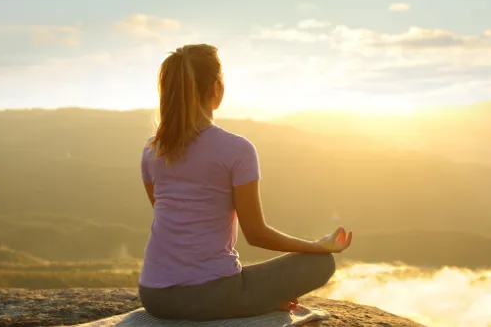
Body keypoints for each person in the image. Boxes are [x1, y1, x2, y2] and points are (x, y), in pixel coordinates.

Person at [137, 43, 353, 321]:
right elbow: (256, 234)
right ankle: (253, 302)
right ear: (217, 89)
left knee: (245, 281)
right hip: (214, 294)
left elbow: (166, 214)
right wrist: (318, 245)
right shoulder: (237, 149)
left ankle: (251, 299)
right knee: (320, 264)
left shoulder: (152, 150)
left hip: (154, 296)